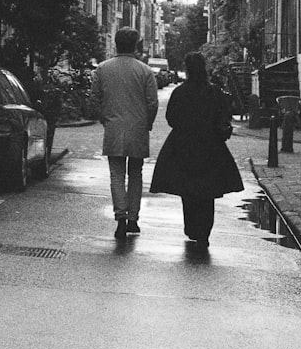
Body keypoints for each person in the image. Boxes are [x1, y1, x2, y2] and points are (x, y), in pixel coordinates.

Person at [150, 52, 243, 249]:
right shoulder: (214, 92)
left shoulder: (180, 92)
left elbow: (171, 118)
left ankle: (191, 227)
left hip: (184, 144)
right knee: (208, 191)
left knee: (188, 188)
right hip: (210, 146)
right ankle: (204, 232)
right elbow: (224, 115)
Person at [91, 27, 159, 238]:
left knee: (116, 175)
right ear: (135, 45)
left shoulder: (102, 69)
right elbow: (152, 102)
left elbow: (95, 98)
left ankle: (120, 216)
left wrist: (104, 117)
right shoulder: (144, 71)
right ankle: (133, 218)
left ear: (116, 45)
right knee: (136, 174)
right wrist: (147, 122)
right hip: (138, 128)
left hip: (113, 127)